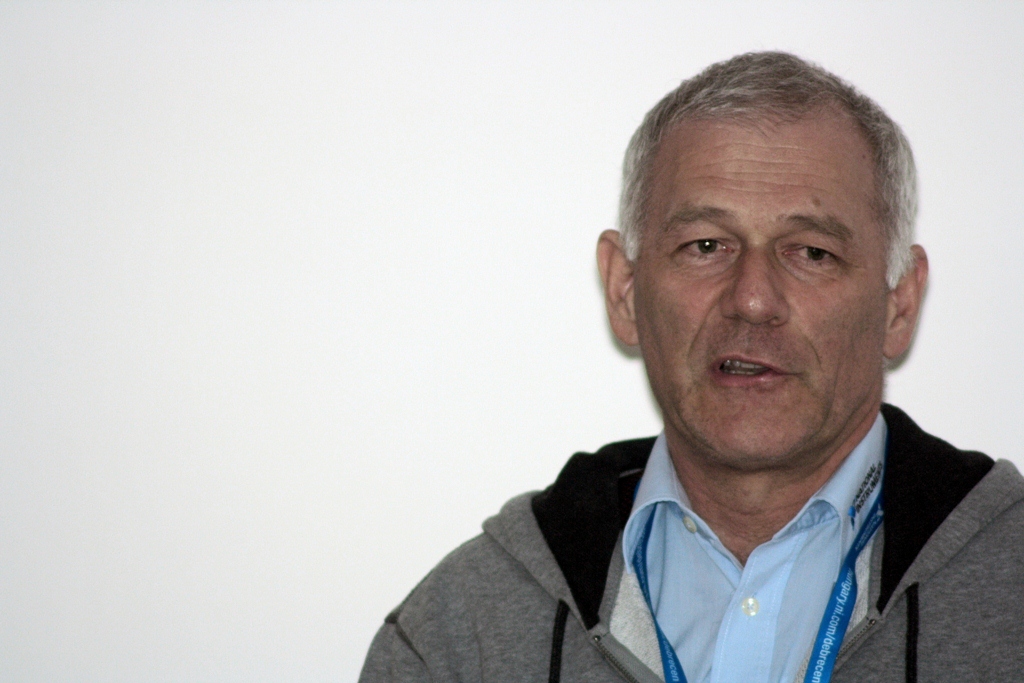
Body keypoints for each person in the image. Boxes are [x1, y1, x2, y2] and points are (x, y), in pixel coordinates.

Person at [358, 52, 1024, 683]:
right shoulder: (458, 636)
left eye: (812, 252)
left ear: (898, 303)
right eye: (706, 245)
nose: (753, 298)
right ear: (624, 290)